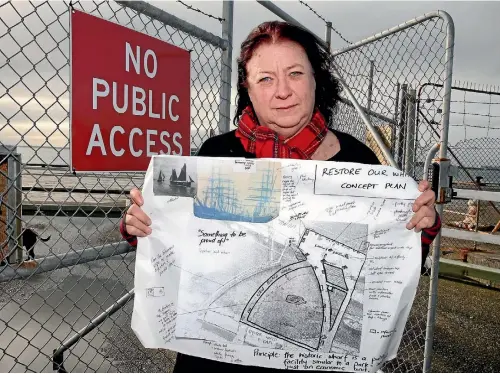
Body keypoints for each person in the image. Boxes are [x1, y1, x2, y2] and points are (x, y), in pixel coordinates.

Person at [119, 21, 442, 373]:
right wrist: (143, 226)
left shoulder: (358, 160)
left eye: (295, 73)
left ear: (316, 80)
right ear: (248, 88)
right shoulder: (215, 155)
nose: (282, 91)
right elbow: (178, 253)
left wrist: (419, 227)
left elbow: (387, 269)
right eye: (266, 79)